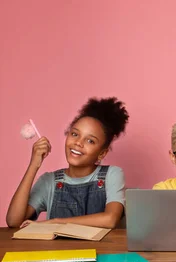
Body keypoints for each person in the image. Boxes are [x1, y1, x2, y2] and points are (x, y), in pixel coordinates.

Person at [7, 97, 129, 229]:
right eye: (75, 134)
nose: (78, 143)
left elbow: (110, 219)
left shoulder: (111, 175)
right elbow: (13, 221)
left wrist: (56, 222)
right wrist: (33, 165)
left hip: (99, 249)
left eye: (90, 141)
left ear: (102, 153)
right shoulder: (49, 181)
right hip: (58, 250)